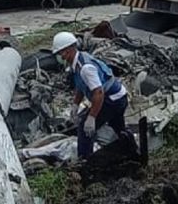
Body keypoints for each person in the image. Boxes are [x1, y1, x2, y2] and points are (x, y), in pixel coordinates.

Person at [51, 31, 129, 159]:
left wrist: (91, 118)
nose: (60, 56)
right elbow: (81, 86)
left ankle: (85, 162)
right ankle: (130, 150)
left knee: (84, 129)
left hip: (112, 99)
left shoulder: (85, 68)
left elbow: (98, 93)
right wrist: (75, 105)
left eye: (60, 53)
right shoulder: (77, 62)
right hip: (119, 96)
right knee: (118, 126)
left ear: (69, 50)